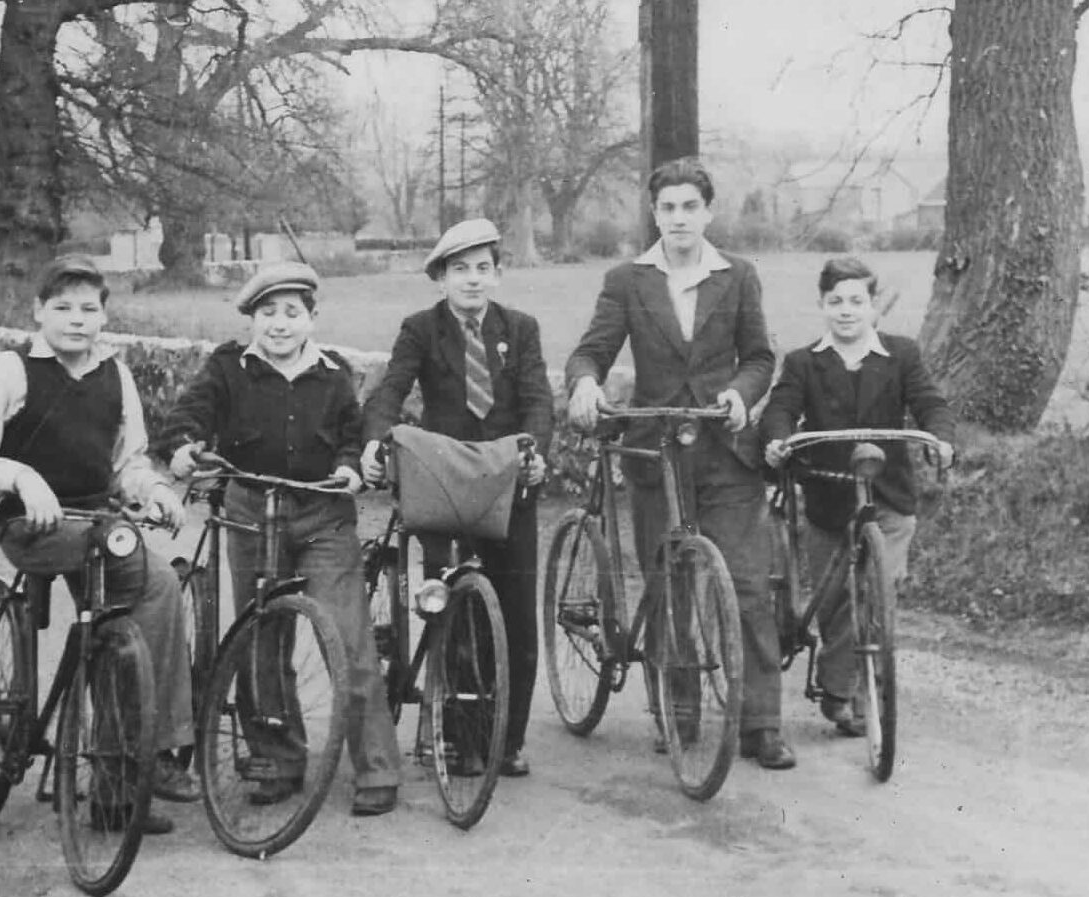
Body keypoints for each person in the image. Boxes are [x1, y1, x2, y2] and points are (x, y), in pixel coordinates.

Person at [0, 254, 199, 835]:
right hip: (30, 528)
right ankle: (144, 754)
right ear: (38, 311)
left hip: (94, 522)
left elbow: (126, 464)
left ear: (104, 315)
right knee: (131, 565)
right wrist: (20, 476)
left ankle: (126, 777)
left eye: (89, 309)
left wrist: (154, 490)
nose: (77, 320)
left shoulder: (116, 375)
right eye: (62, 307)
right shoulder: (7, 371)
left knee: (157, 586)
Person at [565, 158, 796, 769]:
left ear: (707, 212)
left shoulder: (739, 276)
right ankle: (681, 712)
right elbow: (591, 351)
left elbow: (760, 357)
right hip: (656, 452)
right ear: (654, 214)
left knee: (746, 586)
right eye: (667, 208)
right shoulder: (628, 280)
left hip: (725, 453)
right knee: (669, 586)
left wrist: (741, 396)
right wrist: (585, 384)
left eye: (689, 207)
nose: (678, 219)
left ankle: (762, 723)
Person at [158, 261, 402, 817]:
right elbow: (189, 416)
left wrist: (349, 468)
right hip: (251, 510)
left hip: (322, 516)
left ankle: (377, 767)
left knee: (347, 635)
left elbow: (351, 434)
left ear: (312, 319)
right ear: (251, 320)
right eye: (267, 313)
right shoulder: (228, 367)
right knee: (261, 637)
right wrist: (184, 446)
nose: (279, 324)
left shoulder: (334, 373)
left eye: (292, 313)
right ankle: (277, 760)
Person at [360, 218, 554, 778]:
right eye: (460, 270)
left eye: (483, 269)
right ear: (441, 278)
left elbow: (539, 400)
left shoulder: (520, 329)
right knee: (447, 605)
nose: (473, 280)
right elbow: (391, 388)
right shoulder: (421, 330)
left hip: (505, 484)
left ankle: (505, 738)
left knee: (514, 614)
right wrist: (375, 441)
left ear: (497, 274)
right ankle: (457, 732)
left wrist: (535, 452)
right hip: (442, 484)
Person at [759, 255, 956, 735]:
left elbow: (929, 402)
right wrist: (779, 437)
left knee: (876, 590)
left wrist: (941, 436)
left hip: (888, 498)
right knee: (838, 601)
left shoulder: (900, 355)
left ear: (873, 306)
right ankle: (837, 689)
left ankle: (866, 693)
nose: (846, 311)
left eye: (856, 301)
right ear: (823, 306)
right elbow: (782, 407)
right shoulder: (805, 363)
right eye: (836, 302)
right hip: (830, 499)